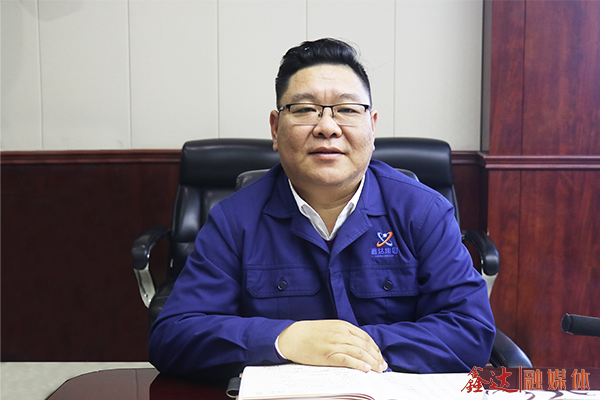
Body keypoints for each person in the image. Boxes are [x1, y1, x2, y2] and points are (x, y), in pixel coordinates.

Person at [148, 38, 495, 381]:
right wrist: (285, 339)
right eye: (304, 109)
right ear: (275, 129)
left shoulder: (424, 212)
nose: (327, 127)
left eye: (347, 109)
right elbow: (173, 336)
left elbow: (471, 332)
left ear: (372, 126)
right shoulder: (234, 220)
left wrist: (349, 348)